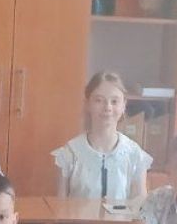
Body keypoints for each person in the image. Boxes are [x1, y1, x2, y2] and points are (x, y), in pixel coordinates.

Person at [52, 71, 152, 201]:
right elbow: (60, 206)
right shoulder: (70, 153)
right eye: (99, 100)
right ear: (87, 104)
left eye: (114, 101)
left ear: (124, 105)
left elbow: (140, 206)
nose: (107, 107)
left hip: (122, 216)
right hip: (77, 215)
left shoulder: (135, 155)